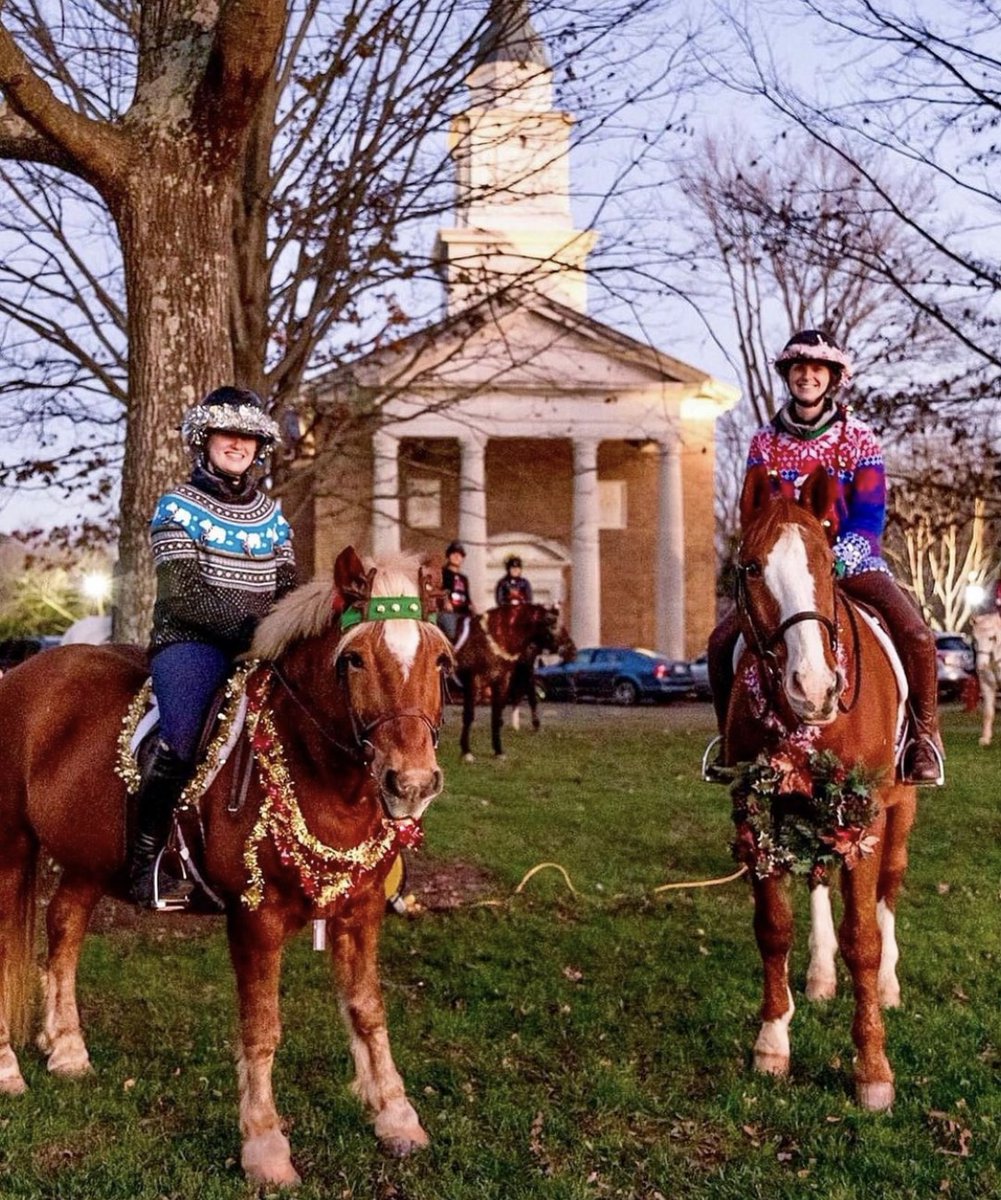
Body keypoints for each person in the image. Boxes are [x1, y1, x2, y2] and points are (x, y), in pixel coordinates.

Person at [707, 329, 943, 786]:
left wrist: (834, 558)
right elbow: (754, 511)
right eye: (800, 368)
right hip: (783, 570)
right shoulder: (764, 442)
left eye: (818, 369)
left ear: (832, 378)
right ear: (789, 376)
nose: (808, 377)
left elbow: (871, 511)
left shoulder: (859, 437)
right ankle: (728, 741)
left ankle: (922, 737)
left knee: (915, 633)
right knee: (720, 643)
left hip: (848, 561)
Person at [127, 386, 298, 906]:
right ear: (204, 440)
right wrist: (254, 634)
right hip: (191, 644)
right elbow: (183, 593)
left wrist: (289, 630)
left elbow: (289, 589)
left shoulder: (274, 516)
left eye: (248, 437)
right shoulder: (176, 506)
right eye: (229, 433)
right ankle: (145, 861)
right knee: (182, 740)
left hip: (262, 647)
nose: (238, 444)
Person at [440, 541, 474, 641]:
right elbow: (440, 589)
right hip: (448, 612)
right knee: (452, 633)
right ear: (448, 556)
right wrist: (446, 601)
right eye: (453, 553)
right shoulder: (442, 573)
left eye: (459, 555)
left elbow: (467, 597)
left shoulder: (464, 578)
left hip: (463, 612)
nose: (456, 556)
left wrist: (472, 607)